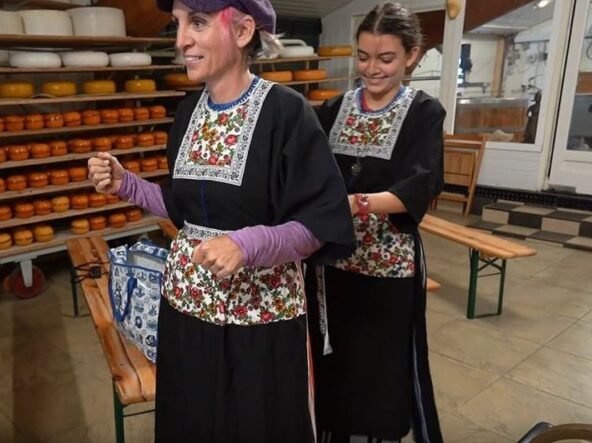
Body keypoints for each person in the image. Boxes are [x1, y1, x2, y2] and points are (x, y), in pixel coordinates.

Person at [88, 0, 355, 441]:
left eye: (197, 23)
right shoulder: (187, 114)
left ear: (244, 30)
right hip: (188, 310)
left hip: (259, 321)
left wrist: (247, 245)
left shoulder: (286, 114)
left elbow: (319, 223)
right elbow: (184, 209)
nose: (180, 41)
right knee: (192, 421)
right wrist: (126, 184)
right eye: (177, 25)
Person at [306, 3, 445, 442]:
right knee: (335, 360)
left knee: (379, 366)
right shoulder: (333, 108)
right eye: (363, 57)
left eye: (385, 59)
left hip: (388, 265)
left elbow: (420, 186)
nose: (372, 69)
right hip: (332, 261)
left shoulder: (424, 112)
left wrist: (354, 204)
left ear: (412, 56)